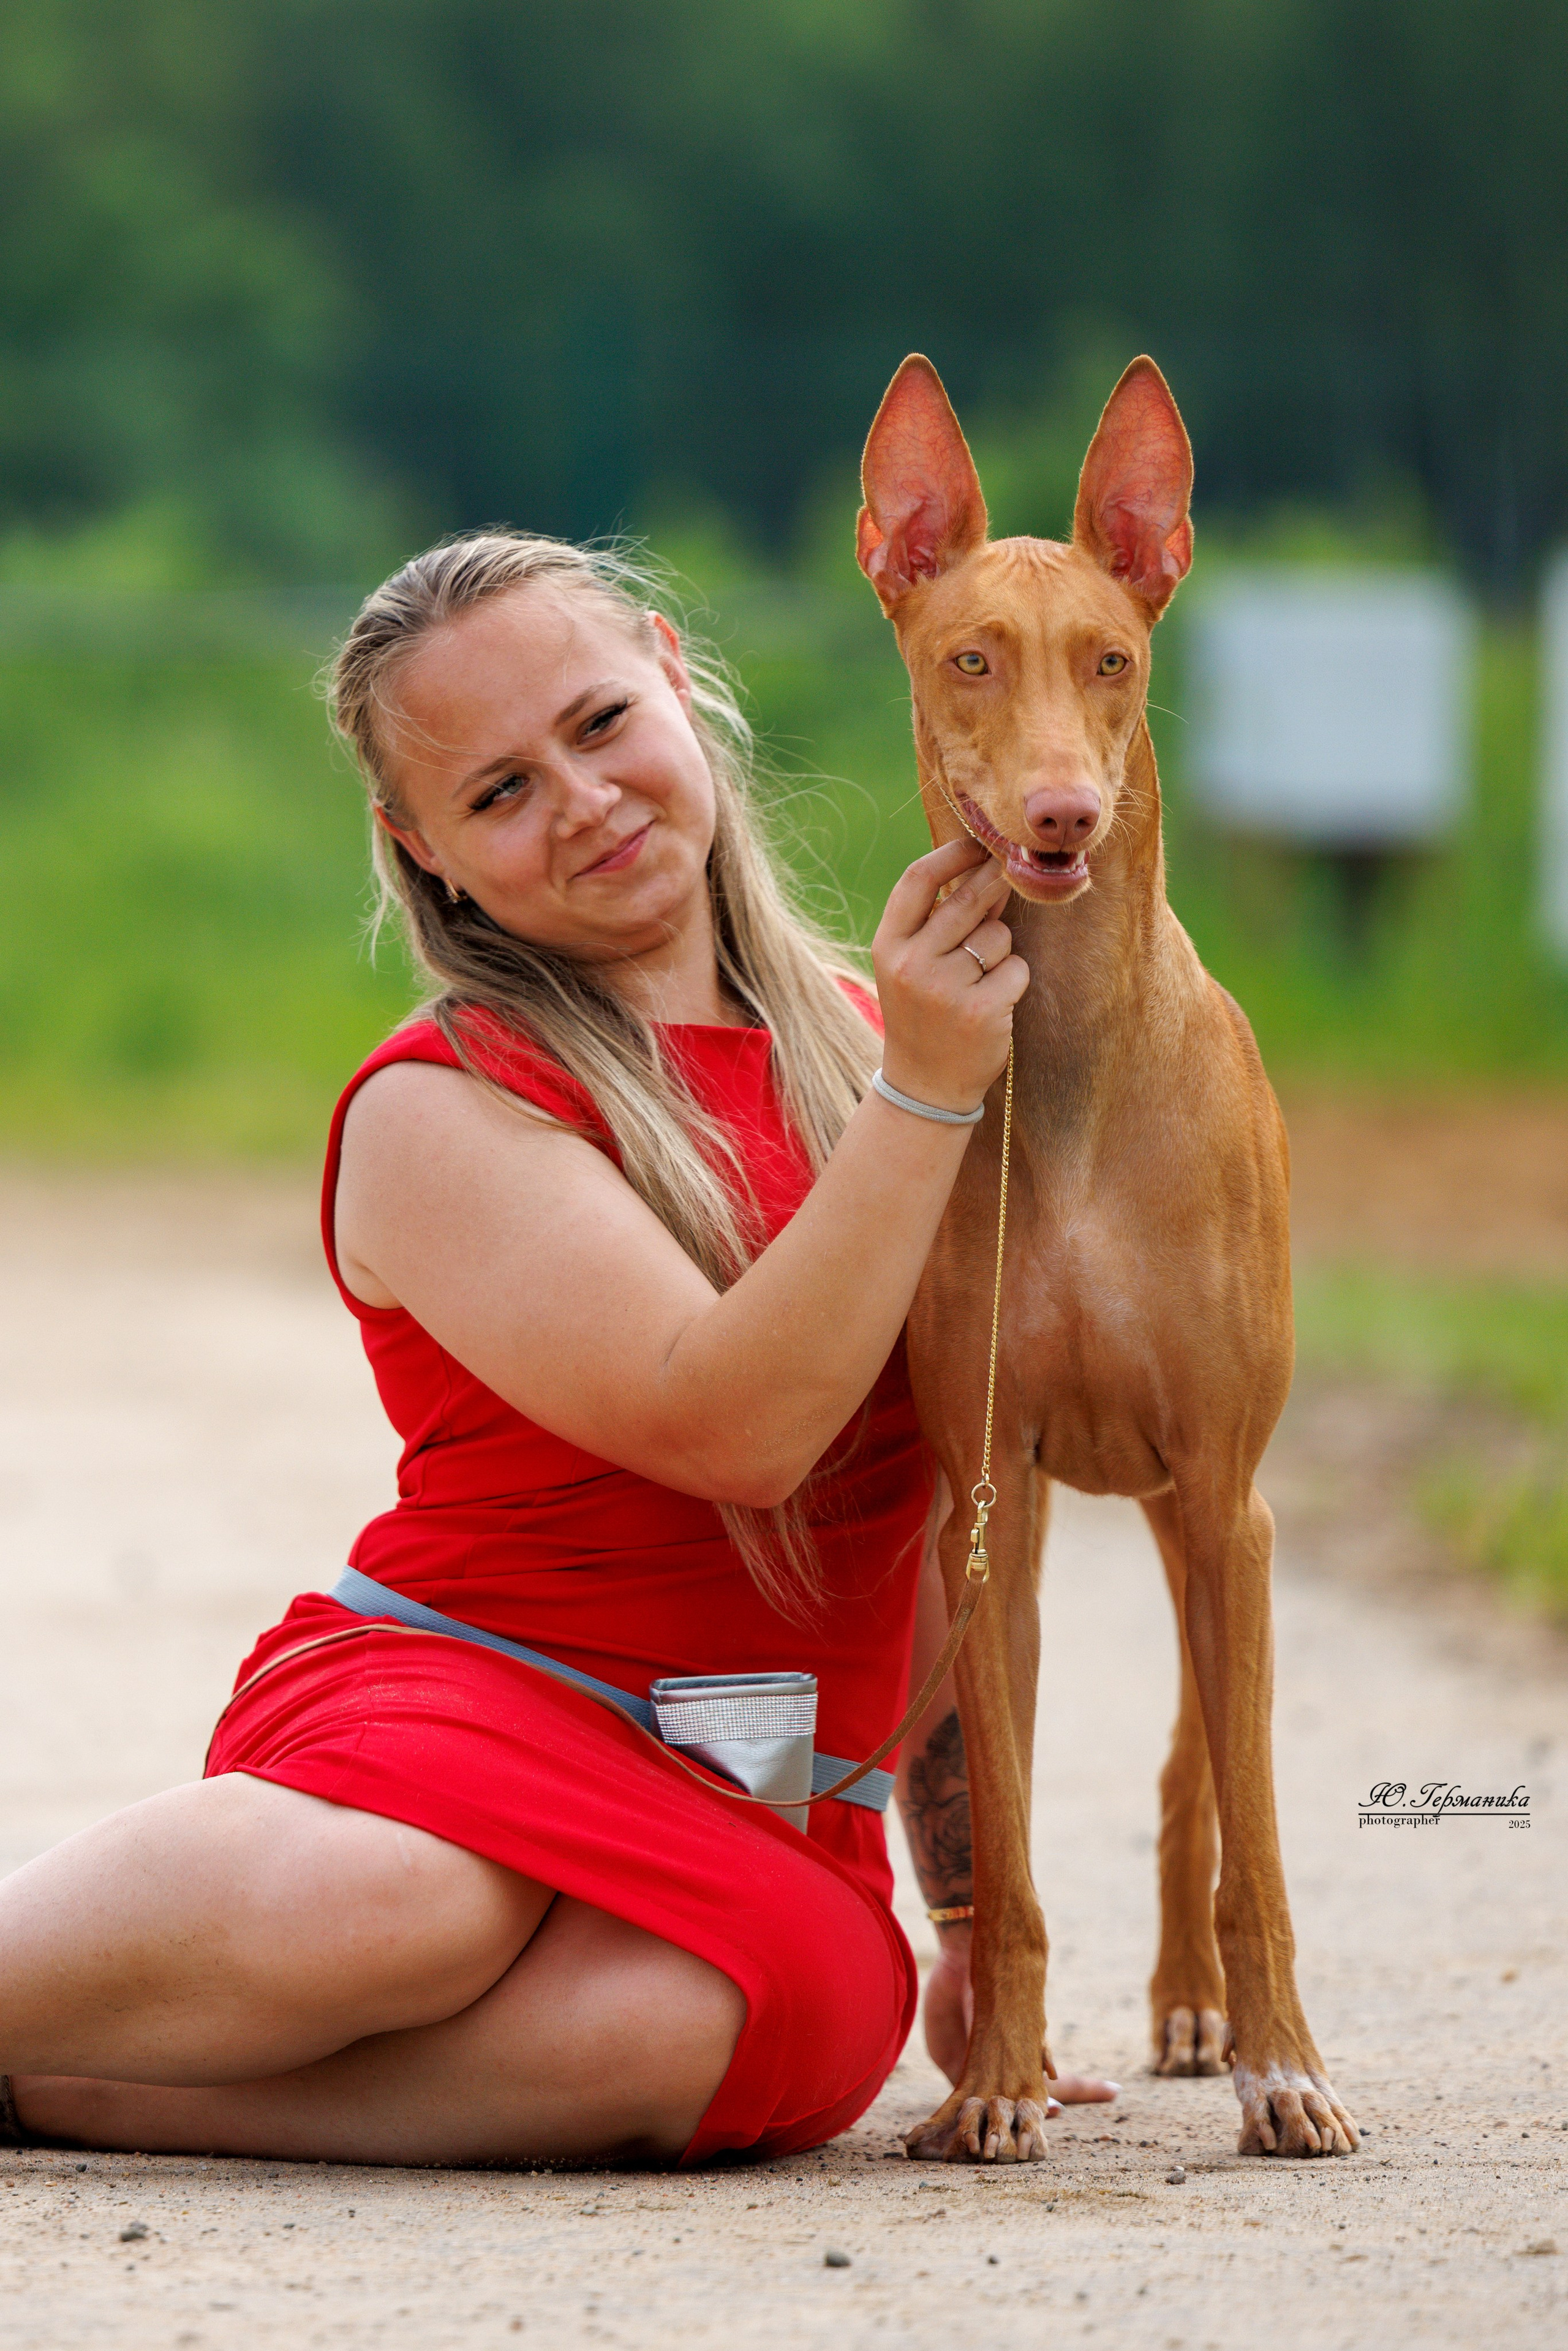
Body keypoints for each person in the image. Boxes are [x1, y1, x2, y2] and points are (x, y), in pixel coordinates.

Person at [0, 534, 1115, 2165]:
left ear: (674, 675)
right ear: (422, 848)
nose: (582, 799)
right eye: (500, 792)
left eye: (597, 725)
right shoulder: (440, 1100)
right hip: (469, 1699)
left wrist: (973, 1929)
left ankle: (56, 2092)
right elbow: (737, 1428)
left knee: (734, 2027)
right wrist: (932, 1093)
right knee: (407, 1909)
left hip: (760, 1781)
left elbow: (949, 1525)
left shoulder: (888, 1044)